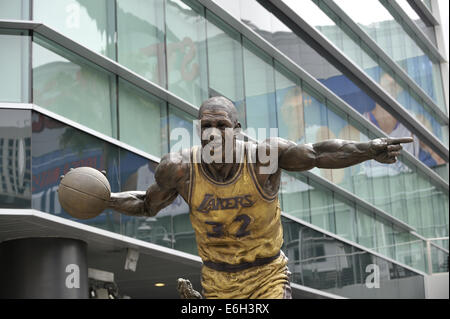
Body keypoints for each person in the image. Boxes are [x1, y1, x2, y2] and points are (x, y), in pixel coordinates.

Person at [107, 96, 412, 299]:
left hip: (266, 276)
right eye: (207, 125)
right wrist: (106, 200)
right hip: (217, 280)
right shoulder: (180, 169)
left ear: (236, 130)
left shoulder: (263, 158)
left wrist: (369, 149)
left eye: (222, 125)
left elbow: (318, 153)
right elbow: (147, 204)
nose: (214, 132)